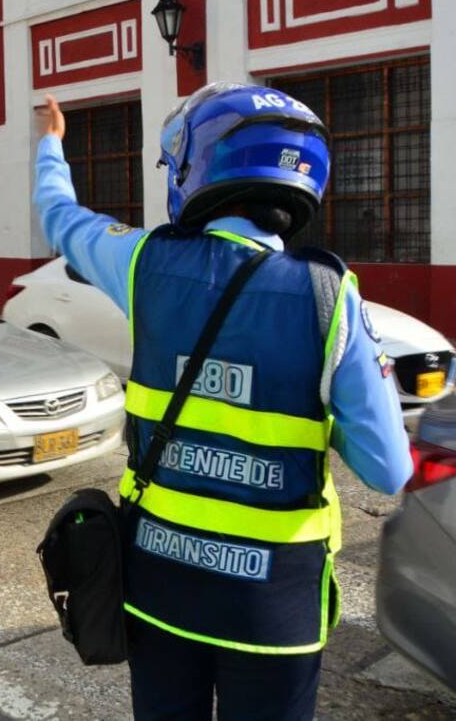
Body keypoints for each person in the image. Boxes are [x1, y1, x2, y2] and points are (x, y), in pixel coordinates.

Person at [34, 84, 412, 720]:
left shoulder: (144, 264)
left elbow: (59, 215)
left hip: (158, 586)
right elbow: (388, 469)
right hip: (274, 604)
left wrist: (51, 144)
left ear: (196, 166)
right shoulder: (330, 297)